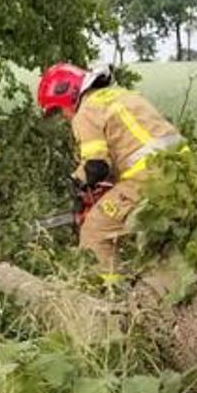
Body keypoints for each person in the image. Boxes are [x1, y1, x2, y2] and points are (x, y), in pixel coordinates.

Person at [35, 63, 182, 277]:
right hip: (179, 172)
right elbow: (130, 146)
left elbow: (96, 167)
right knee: (135, 227)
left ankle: (112, 297)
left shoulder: (85, 112)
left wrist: (77, 183)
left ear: (68, 93)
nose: (64, 117)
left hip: (148, 179)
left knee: (95, 231)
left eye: (59, 110)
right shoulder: (119, 95)